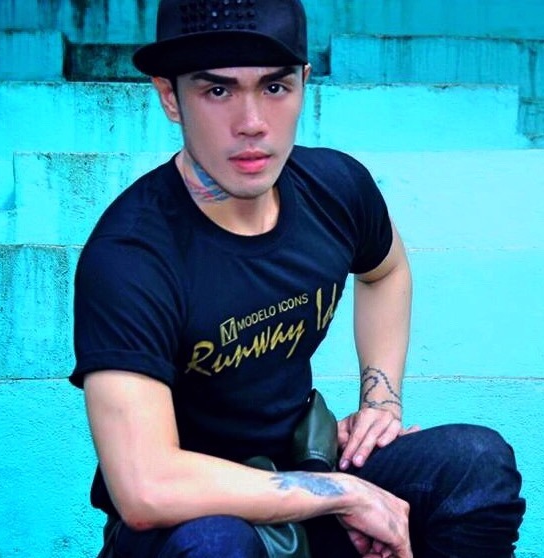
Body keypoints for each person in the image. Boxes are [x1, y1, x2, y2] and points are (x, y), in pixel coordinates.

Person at [69, 1, 525, 556]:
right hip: (188, 515)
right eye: (217, 91)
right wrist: (342, 495)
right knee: (216, 544)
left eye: (274, 87)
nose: (252, 122)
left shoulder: (335, 187)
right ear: (170, 96)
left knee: (477, 464)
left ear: (303, 83)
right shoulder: (130, 257)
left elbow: (385, 271)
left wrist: (381, 403)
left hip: (302, 469)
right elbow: (147, 487)